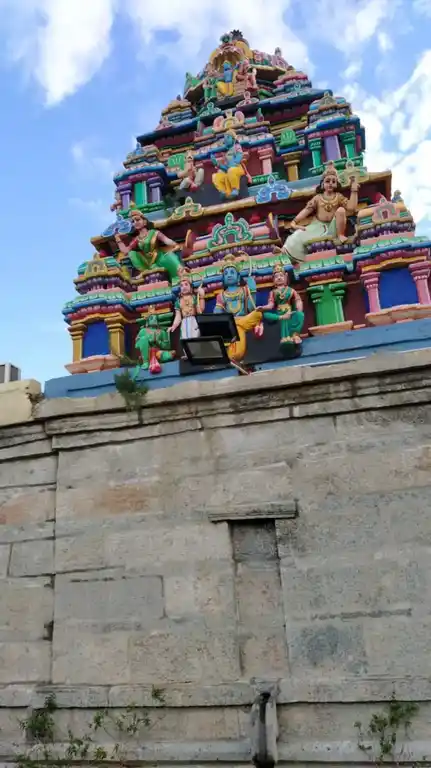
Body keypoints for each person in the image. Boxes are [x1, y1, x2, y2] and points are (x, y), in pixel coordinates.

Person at [279, 161, 359, 264]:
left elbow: (351, 208)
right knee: (297, 235)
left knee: (341, 210)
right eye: (328, 181)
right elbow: (306, 210)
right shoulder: (318, 198)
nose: (330, 183)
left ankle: (341, 235)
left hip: (333, 226)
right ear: (322, 184)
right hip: (316, 226)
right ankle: (285, 252)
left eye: (333, 181)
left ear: (336, 184)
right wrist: (295, 221)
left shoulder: (338, 197)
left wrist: (354, 190)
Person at [114, 206, 182, 281]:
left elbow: (167, 241)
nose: (135, 223)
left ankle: (179, 275)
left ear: (145, 222)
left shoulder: (154, 233)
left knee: (170, 257)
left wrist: (175, 245)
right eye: (133, 222)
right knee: (132, 253)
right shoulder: (137, 239)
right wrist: (118, 239)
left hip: (158, 258)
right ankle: (145, 271)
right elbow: (126, 251)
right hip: (147, 262)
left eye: (137, 220)